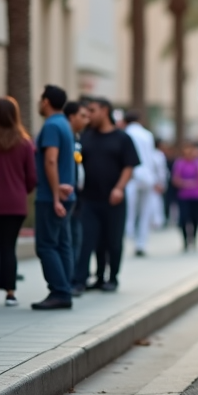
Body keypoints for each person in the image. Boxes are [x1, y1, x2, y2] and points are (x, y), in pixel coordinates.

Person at [75, 98, 140, 292]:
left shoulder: (122, 138)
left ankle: (112, 278)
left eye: (92, 110)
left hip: (114, 200)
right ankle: (85, 279)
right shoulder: (85, 136)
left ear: (105, 111)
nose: (89, 116)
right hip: (88, 199)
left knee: (112, 240)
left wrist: (119, 188)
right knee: (88, 240)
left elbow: (129, 166)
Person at [0, 97, 37, 306]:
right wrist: (23, 190)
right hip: (16, 203)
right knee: (9, 247)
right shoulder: (24, 143)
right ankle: (11, 293)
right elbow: (32, 177)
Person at [32, 85, 78, 310]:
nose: (39, 103)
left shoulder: (51, 125)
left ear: (47, 101)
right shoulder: (64, 124)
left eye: (41, 100)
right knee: (62, 244)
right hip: (66, 194)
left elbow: (51, 160)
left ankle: (59, 292)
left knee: (46, 245)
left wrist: (54, 197)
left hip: (52, 196)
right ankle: (64, 289)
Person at [123, 111, 160, 257]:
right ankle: (141, 243)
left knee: (130, 211)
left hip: (132, 174)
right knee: (144, 212)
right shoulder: (147, 134)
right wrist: (156, 178)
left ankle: (129, 235)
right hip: (147, 175)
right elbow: (151, 157)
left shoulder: (126, 134)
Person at [64, 100, 90, 294]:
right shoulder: (66, 137)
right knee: (70, 239)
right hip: (67, 197)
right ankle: (68, 280)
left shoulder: (77, 138)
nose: (86, 119)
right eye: (83, 115)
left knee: (76, 238)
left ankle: (73, 278)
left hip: (78, 199)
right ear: (72, 116)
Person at [172, 142, 198, 251]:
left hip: (197, 195)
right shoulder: (179, 163)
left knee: (195, 218)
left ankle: (194, 237)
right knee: (183, 218)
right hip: (184, 196)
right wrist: (186, 184)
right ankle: (185, 240)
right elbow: (175, 179)